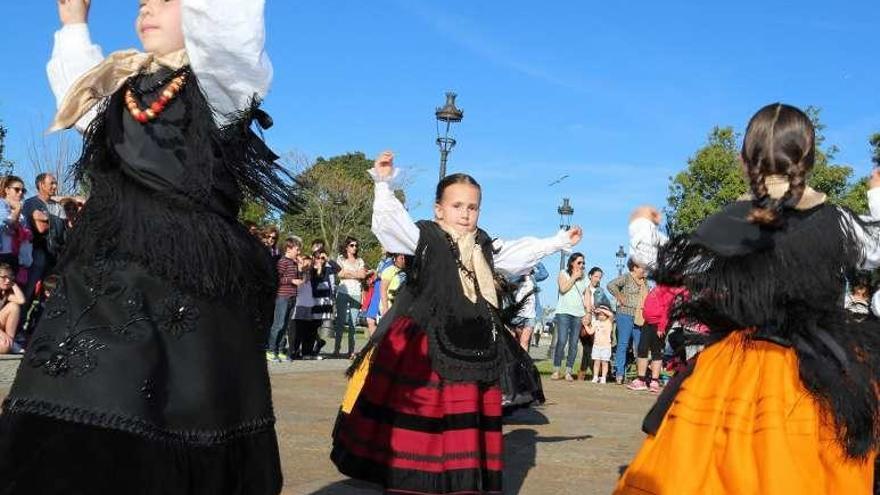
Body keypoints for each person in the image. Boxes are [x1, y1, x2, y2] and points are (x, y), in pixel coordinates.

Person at [0, 0, 296, 492]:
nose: (146, 8)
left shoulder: (220, 86)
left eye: (164, 0)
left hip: (188, 279)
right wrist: (74, 23)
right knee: (74, 390)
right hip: (105, 272)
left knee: (180, 404)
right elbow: (80, 97)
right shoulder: (118, 88)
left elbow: (230, 26)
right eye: (141, 2)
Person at [616, 104, 880, 494]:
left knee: (706, 470)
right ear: (808, 159)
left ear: (743, 161)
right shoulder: (835, 222)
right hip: (818, 375)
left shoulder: (728, 221)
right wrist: (876, 195)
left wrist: (640, 222)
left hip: (734, 369)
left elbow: (658, 259)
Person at [331, 151, 581, 494]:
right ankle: (417, 480)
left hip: (472, 341)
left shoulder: (484, 245)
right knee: (425, 415)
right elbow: (391, 225)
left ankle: (459, 480)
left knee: (463, 418)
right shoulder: (424, 237)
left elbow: (516, 254)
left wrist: (557, 242)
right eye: (457, 205)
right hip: (425, 341)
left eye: (472, 207)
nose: (465, 214)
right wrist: (383, 184)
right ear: (439, 209)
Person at [607, 258, 649, 384]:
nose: (644, 270)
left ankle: (640, 375)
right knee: (623, 344)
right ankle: (619, 374)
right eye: (642, 267)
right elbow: (610, 285)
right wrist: (619, 296)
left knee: (641, 346)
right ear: (634, 267)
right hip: (625, 314)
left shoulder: (645, 282)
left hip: (640, 317)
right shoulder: (626, 277)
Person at [552, 253, 589, 381]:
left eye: (583, 263)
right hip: (563, 312)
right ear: (572, 262)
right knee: (562, 341)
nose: (582, 265)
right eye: (579, 262)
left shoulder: (585, 278)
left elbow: (587, 295)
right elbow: (563, 289)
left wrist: (588, 313)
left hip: (578, 314)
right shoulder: (563, 273)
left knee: (573, 343)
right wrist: (573, 277)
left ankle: (568, 371)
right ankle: (556, 369)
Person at [266, 237, 304, 362]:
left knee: (286, 325)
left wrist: (300, 268)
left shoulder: (294, 263)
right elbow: (276, 279)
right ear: (289, 248)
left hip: (293, 296)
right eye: (297, 250)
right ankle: (271, 350)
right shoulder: (283, 261)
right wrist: (291, 280)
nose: (298, 252)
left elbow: (300, 279)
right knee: (278, 324)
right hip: (283, 296)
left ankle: (281, 349)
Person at [333, 236, 367, 358]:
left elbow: (363, 275)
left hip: (356, 293)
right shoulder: (340, 258)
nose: (354, 248)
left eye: (356, 245)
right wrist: (355, 273)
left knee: (353, 323)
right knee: (340, 322)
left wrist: (348, 273)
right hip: (343, 292)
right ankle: (336, 350)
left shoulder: (360, 260)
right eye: (352, 245)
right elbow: (340, 274)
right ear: (347, 247)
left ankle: (351, 351)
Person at [577, 266, 608, 380]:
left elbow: (606, 305)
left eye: (600, 277)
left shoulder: (600, 291)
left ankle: (583, 371)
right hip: (584, 320)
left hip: (596, 322)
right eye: (596, 276)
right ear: (590, 276)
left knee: (589, 348)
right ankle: (585, 371)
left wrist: (599, 309)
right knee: (587, 347)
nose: (598, 279)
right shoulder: (583, 288)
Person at [511, 262, 549, 351]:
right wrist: (522, 273)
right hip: (518, 314)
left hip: (531, 314)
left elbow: (545, 274)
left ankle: (523, 363)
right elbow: (510, 282)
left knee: (525, 341)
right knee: (515, 341)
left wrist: (536, 261)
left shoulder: (533, 278)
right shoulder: (515, 277)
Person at [0, 264, 26, 354]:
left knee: (14, 306)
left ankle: (11, 342)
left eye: (10, 277)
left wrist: (13, 284)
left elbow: (21, 300)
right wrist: (1, 333)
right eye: (3, 277)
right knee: (4, 348)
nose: (7, 280)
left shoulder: (5, 294)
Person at [586, 303, 613, 383]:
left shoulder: (609, 322)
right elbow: (591, 332)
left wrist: (601, 309)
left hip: (606, 347)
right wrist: (586, 326)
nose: (601, 316)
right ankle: (595, 376)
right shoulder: (596, 322)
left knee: (605, 363)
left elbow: (611, 314)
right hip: (596, 346)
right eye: (599, 315)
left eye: (603, 314)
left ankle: (603, 377)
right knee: (596, 362)